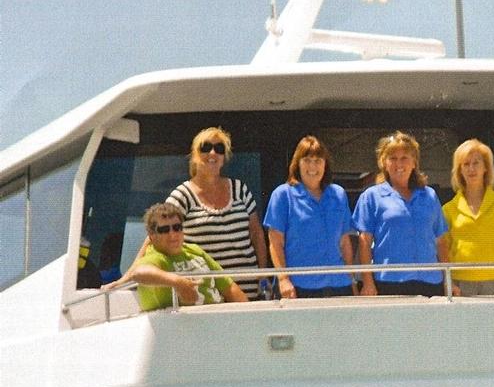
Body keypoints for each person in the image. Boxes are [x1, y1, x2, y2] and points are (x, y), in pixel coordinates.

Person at [162, 127, 267, 299]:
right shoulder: (183, 195)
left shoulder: (240, 189)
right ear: (195, 155)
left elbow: (256, 234)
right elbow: (157, 235)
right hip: (207, 293)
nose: (213, 153)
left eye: (219, 149)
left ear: (224, 158)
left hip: (248, 290)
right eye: (205, 148)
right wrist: (133, 273)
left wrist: (263, 275)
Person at [353, 131, 449, 296]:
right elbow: (364, 243)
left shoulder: (429, 196)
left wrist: (448, 281)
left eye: (405, 158)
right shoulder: (371, 197)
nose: (399, 164)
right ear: (384, 163)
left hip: (431, 282)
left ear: (414, 162)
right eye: (393, 158)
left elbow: (440, 241)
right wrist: (368, 283)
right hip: (389, 283)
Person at [263, 136, 356, 298]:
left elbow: (344, 241)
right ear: (297, 164)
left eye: (318, 160)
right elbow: (275, 242)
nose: (313, 166)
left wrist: (351, 279)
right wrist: (283, 279)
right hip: (298, 286)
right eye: (307, 160)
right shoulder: (283, 195)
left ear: (325, 164)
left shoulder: (338, 194)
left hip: (339, 284)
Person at [120, 203, 247, 311]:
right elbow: (138, 273)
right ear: (152, 236)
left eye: (177, 228)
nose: (172, 234)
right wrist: (178, 282)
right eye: (164, 230)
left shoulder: (195, 250)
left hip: (219, 322)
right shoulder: (156, 257)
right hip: (180, 331)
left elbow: (229, 287)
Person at [443, 139, 494, 295]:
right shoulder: (448, 209)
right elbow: (445, 251)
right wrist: (449, 283)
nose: (471, 169)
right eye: (466, 164)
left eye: (476, 163)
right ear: (460, 170)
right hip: (460, 284)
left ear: (486, 167)